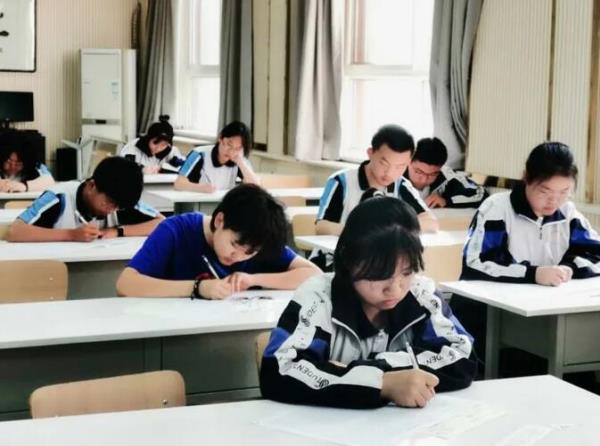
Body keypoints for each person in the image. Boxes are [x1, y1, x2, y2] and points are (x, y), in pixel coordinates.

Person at [260, 197, 476, 409]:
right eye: (380, 275)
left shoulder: (421, 293)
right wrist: (381, 384)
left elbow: (462, 355)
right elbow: (279, 370)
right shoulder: (317, 296)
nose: (395, 288)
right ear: (349, 261)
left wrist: (376, 368)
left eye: (407, 272)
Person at [452, 142, 600, 361]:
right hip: (488, 315)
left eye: (564, 192)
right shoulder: (497, 208)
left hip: (541, 313)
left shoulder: (568, 213)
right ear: (526, 178)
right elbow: (477, 263)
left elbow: (595, 253)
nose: (554, 201)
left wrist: (569, 268)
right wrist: (533, 273)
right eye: (545, 191)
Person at [116, 183, 321, 298]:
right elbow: (126, 283)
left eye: (249, 253)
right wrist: (197, 288)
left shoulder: (258, 238)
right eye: (234, 245)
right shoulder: (176, 230)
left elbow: (314, 275)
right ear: (220, 220)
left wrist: (253, 279)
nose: (237, 257)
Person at [316, 124, 438, 237]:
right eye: (384, 164)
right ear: (370, 153)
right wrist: (364, 232)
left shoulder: (402, 185)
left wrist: (394, 229)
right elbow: (321, 226)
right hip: (339, 251)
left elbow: (431, 222)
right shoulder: (341, 181)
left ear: (409, 163)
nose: (390, 173)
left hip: (382, 252)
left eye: (400, 167)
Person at [6, 157, 163, 242]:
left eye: (118, 206)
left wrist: (118, 231)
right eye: (109, 202)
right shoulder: (59, 197)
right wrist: (71, 235)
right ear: (92, 185)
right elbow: (15, 231)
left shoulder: (120, 199)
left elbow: (163, 223)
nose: (112, 210)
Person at [175, 121, 260, 193]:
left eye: (237, 148)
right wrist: (200, 188)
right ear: (220, 138)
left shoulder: (239, 159)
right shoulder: (198, 154)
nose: (231, 151)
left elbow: (256, 187)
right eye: (229, 144)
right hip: (198, 202)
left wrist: (241, 163)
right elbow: (178, 183)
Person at [405, 137, 488, 208]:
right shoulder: (397, 174)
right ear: (408, 162)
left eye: (433, 174)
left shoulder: (447, 176)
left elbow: (481, 195)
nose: (424, 180)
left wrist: (446, 201)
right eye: (418, 172)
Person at [119, 115, 185, 174]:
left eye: (163, 145)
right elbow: (124, 170)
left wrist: (177, 162)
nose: (158, 148)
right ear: (148, 138)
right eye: (155, 143)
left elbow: (181, 163)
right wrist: (141, 170)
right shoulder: (131, 149)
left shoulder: (169, 149)